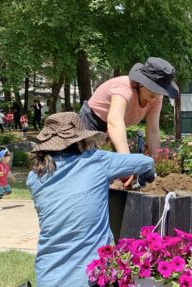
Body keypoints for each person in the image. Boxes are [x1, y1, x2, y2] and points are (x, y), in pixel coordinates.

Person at [27, 112, 156, 286]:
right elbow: (145, 162)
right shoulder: (95, 161)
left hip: (47, 276)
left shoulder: (35, 177)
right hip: (90, 277)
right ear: (80, 141)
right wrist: (146, 175)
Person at [79, 57, 178, 185]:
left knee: (120, 175)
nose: (156, 94)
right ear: (141, 82)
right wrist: (128, 164)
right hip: (92, 121)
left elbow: (153, 130)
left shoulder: (156, 98)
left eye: (160, 90)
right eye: (153, 88)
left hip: (117, 127)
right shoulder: (124, 89)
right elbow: (114, 120)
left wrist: (155, 166)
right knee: (89, 169)